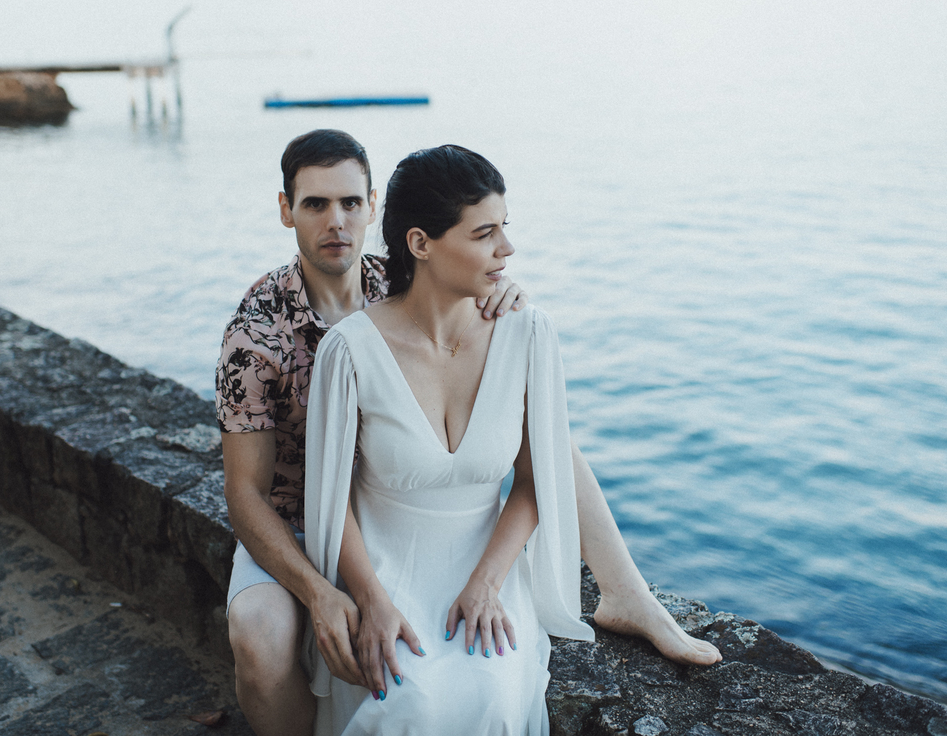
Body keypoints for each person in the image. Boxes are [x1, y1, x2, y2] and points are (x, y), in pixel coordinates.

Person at [217, 130, 720, 736]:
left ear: (375, 207)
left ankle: (625, 591)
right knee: (270, 641)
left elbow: (458, 284)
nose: (337, 222)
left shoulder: (401, 279)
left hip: (406, 494)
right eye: (315, 205)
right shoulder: (256, 332)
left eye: (351, 203)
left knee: (542, 428)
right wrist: (327, 594)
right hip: (302, 516)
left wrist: (505, 309)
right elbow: (245, 495)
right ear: (285, 210)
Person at [304, 144, 596, 733]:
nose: (507, 250)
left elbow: (537, 483)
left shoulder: (529, 333)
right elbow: (330, 504)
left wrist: (488, 583)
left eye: (504, 229)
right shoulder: (350, 351)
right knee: (412, 701)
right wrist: (373, 601)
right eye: (485, 233)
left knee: (494, 693)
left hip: (488, 565)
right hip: (384, 568)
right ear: (421, 243)